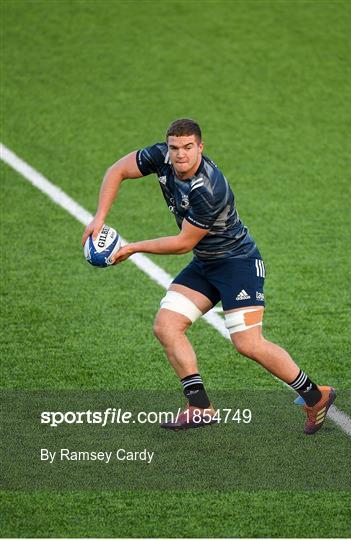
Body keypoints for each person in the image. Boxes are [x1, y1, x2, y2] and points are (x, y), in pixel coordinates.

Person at [82, 118, 336, 434]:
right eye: (175, 148)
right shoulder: (161, 157)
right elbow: (117, 170)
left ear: (200, 147)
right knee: (166, 326)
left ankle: (316, 395)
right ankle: (200, 407)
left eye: (188, 147)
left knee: (248, 344)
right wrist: (99, 218)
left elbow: (182, 243)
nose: (180, 155)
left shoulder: (208, 188)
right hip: (206, 263)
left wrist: (132, 248)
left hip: (237, 264)